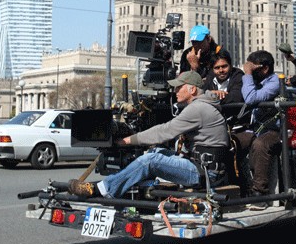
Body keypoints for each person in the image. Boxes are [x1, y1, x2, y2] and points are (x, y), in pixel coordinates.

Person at [68, 70, 229, 199]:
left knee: (150, 160)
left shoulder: (198, 108)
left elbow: (165, 131)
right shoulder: (202, 105)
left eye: (179, 87)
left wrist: (128, 140)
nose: (175, 91)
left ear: (192, 89)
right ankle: (138, 188)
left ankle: (102, 189)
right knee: (155, 152)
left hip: (205, 173)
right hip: (201, 166)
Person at [232, 50, 282, 208]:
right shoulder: (253, 81)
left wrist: (247, 74)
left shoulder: (275, 82)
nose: (249, 71)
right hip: (255, 129)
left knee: (260, 145)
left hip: (274, 131)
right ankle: (235, 187)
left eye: (252, 68)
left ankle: (260, 194)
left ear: (264, 68)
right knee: (233, 141)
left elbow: (250, 98)